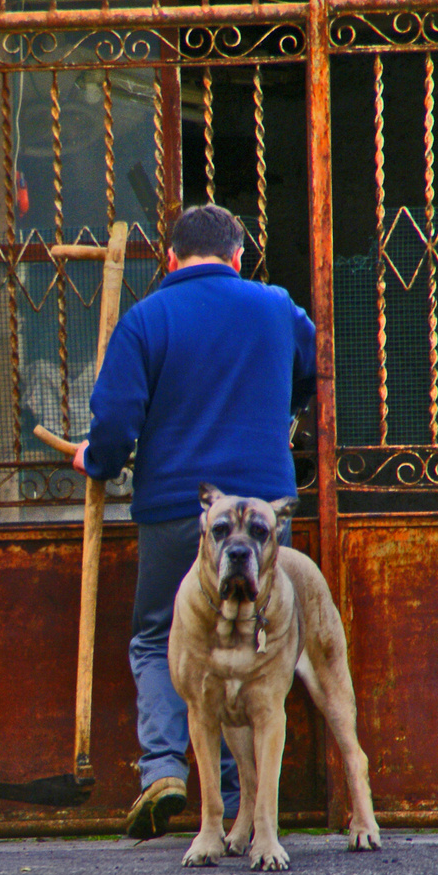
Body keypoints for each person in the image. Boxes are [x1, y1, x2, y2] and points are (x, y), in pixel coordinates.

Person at [70, 203, 316, 840]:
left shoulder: (146, 319)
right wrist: (277, 420)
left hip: (179, 512)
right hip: (262, 520)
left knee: (161, 637)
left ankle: (162, 769)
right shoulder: (276, 307)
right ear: (239, 258)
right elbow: (311, 372)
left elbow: (117, 423)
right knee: (252, 646)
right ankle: (236, 799)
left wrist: (93, 459)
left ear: (171, 260)